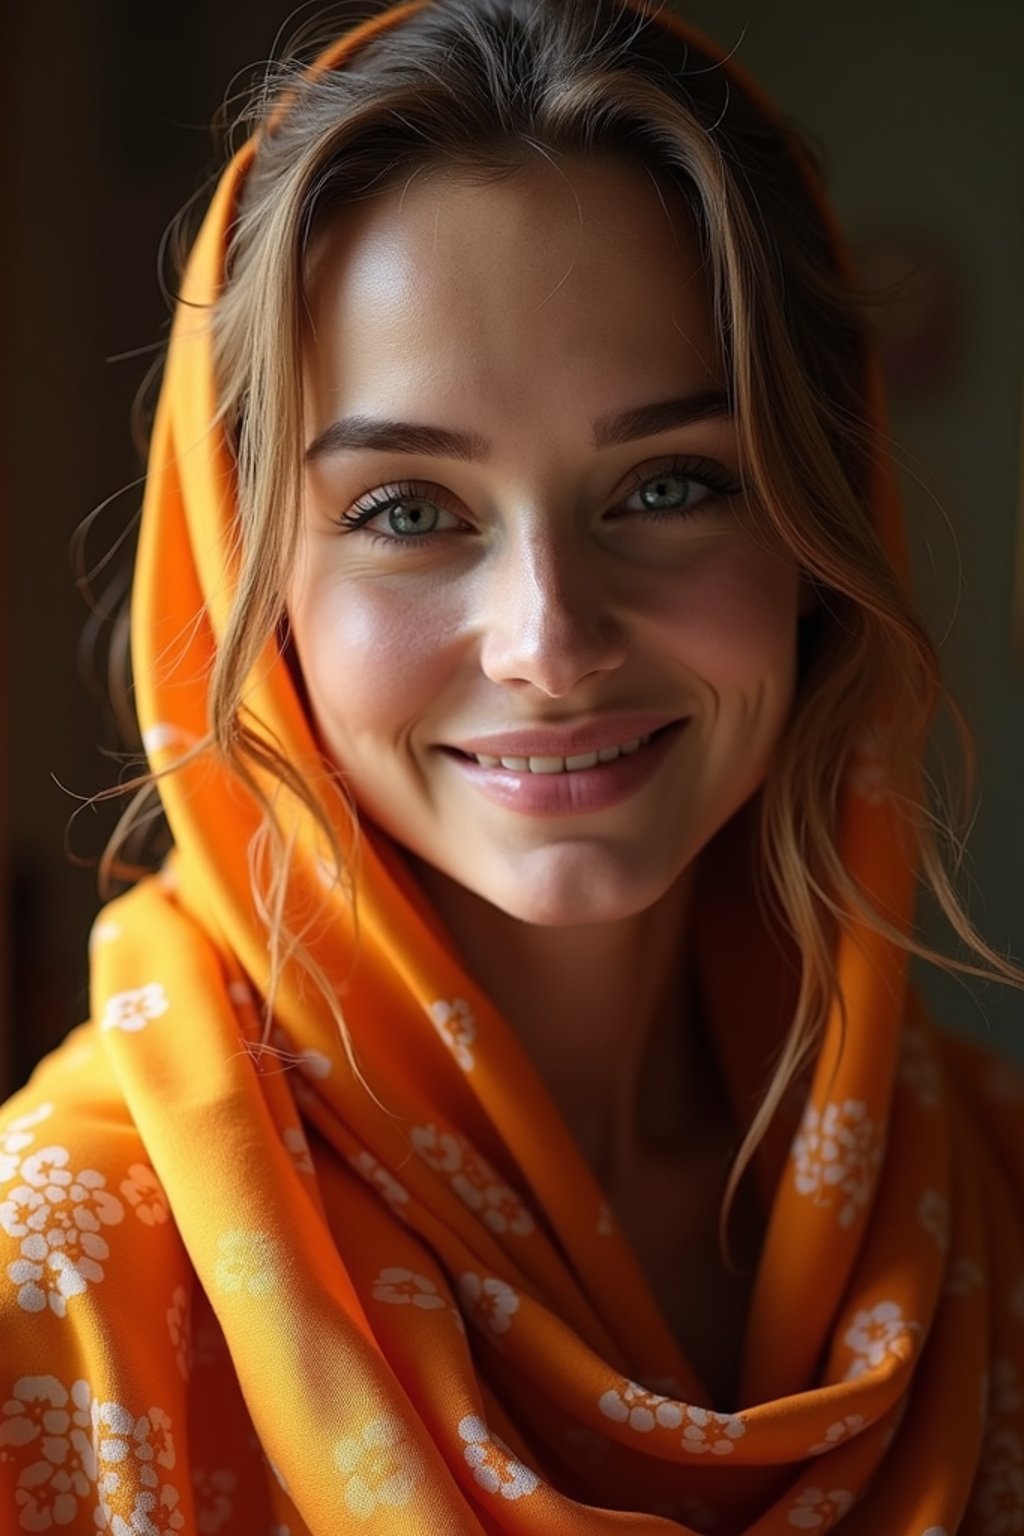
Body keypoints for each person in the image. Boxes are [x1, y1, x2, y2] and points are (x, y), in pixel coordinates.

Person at [1, 0, 1022, 1530]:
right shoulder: (61, 1276)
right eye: (410, 508)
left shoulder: (999, 1209)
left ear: (819, 534)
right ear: (246, 577)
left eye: (668, 484)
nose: (548, 640)